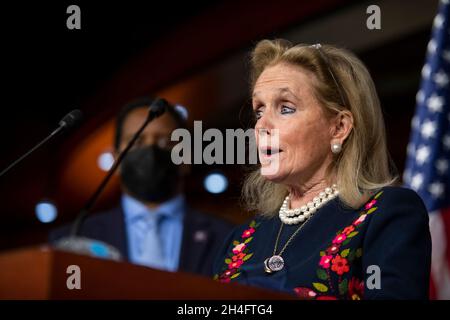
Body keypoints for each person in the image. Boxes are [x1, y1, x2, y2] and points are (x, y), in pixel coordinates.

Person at [213, 39, 431, 299]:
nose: (262, 126)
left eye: (286, 108)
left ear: (338, 128)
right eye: (259, 110)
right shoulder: (239, 241)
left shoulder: (386, 214)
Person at [50, 97, 233, 276]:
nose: (151, 151)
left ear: (186, 158)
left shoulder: (228, 239)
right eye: (137, 142)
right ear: (116, 160)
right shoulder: (72, 241)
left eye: (166, 142)